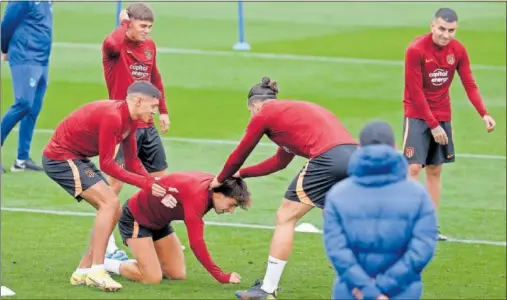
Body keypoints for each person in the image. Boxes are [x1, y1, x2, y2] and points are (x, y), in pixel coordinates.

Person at [209, 77, 359, 299]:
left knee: (285, 216)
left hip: (327, 158)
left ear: (255, 105)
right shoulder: (289, 113)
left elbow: (242, 151)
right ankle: (362, 283)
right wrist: (242, 173)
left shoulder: (265, 113)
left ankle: (267, 289)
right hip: (355, 156)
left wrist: (220, 178)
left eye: (251, 111)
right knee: (336, 220)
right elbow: (280, 161)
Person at [42, 81, 174, 292]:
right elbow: (107, 165)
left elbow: (131, 160)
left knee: (115, 209)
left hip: (78, 158)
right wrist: (145, 184)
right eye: (153, 106)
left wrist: (151, 182)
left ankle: (83, 271)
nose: (155, 112)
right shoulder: (113, 117)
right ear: (138, 101)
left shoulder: (130, 120)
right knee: (110, 203)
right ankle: (97, 270)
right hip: (61, 158)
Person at [402, 7, 496, 241]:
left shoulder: (458, 51)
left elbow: (469, 83)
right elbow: (415, 92)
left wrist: (483, 113)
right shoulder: (416, 50)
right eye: (442, 28)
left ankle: (429, 227)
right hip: (416, 113)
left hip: (442, 114)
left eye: (451, 30)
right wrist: (432, 125)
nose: (445, 34)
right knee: (413, 168)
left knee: (435, 169)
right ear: (432, 25)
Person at [323, 120, 438, 300]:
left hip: (353, 292)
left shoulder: (338, 194)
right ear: (394, 147)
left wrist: (366, 289)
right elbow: (422, 248)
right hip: (401, 292)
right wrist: (384, 289)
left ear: (360, 148)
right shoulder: (418, 194)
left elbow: (337, 250)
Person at [101, 2, 170, 259]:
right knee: (113, 187)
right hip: (121, 126)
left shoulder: (150, 47)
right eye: (143, 26)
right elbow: (110, 43)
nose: (147, 32)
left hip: (147, 125)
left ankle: (156, 233)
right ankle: (106, 244)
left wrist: (162, 109)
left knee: (160, 181)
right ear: (128, 23)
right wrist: (123, 23)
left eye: (150, 27)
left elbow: (156, 78)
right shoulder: (115, 46)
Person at [104, 172, 250, 285]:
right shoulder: (198, 198)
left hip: (160, 223)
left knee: (177, 274)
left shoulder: (214, 186)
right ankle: (107, 262)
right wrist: (221, 276)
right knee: (152, 278)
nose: (231, 211)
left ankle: (138, 261)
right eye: (232, 204)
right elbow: (196, 243)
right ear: (219, 194)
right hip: (137, 218)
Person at [0, 0, 53, 173]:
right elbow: (7, 23)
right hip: (25, 55)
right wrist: (4, 48)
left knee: (33, 109)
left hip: (42, 57)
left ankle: (22, 160)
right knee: (23, 103)